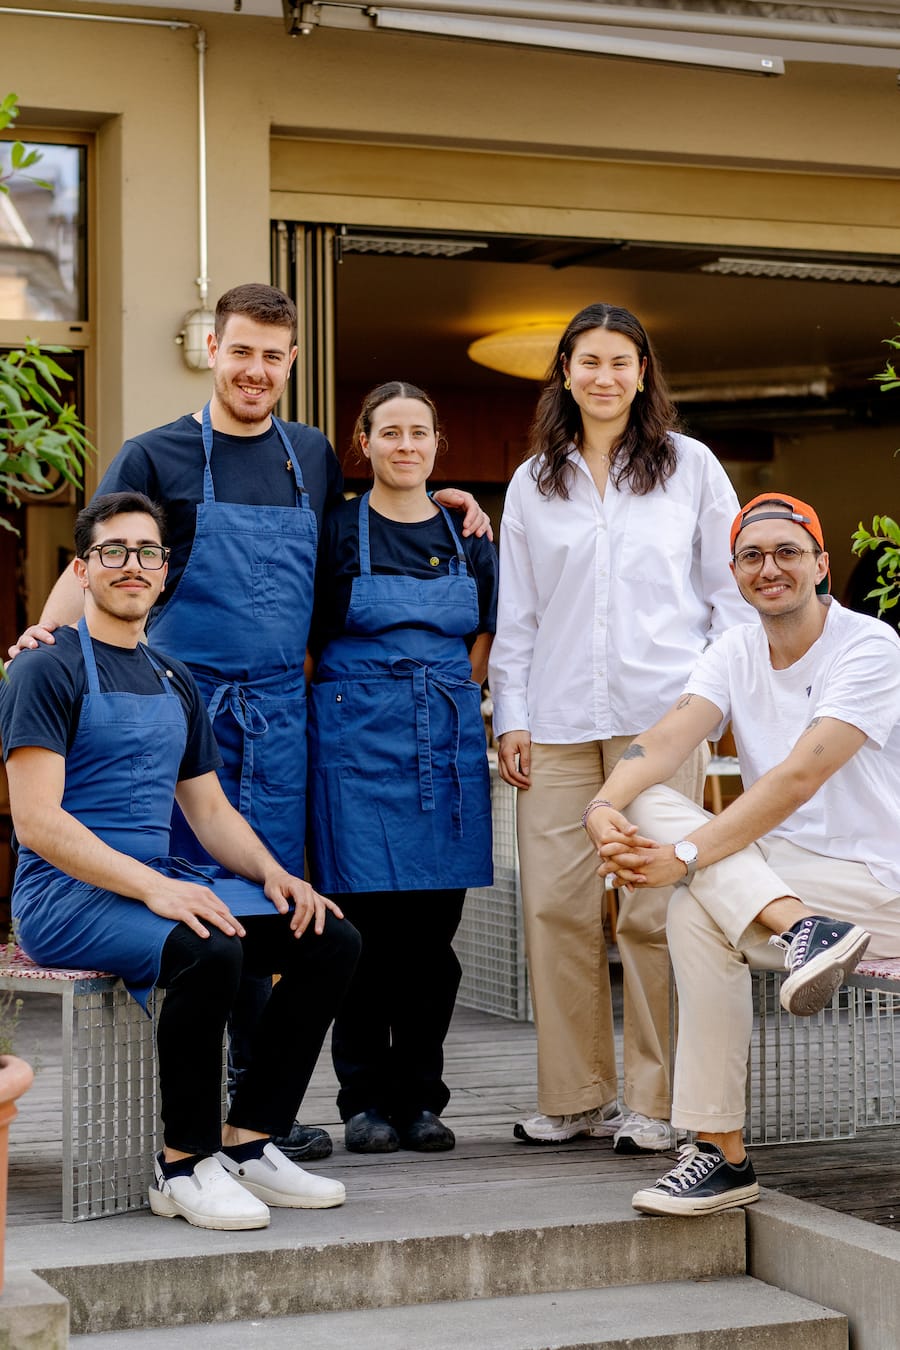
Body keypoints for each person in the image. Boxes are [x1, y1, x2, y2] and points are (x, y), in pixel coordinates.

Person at [9, 283, 489, 1163]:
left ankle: (261, 1107)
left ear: (292, 362)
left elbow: (365, 527)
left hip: (280, 716)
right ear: (213, 352)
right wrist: (46, 633)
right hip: (179, 706)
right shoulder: (154, 453)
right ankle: (206, 1107)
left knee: (274, 899)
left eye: (272, 356)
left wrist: (445, 503)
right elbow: (101, 551)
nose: (255, 370)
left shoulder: (310, 456)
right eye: (241, 352)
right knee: (192, 900)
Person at [0, 493, 362, 1231]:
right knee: (210, 948)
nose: (131, 565)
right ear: (83, 568)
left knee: (327, 937)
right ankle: (183, 1164)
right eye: (113, 551)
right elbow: (37, 823)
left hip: (155, 883)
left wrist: (274, 874)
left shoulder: (173, 676)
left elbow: (210, 812)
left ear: (165, 571)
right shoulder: (46, 668)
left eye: (147, 552)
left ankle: (250, 1140)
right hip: (62, 896)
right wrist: (156, 889)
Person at [583, 492, 899, 1216]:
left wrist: (685, 855)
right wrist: (599, 811)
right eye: (752, 556)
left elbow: (797, 779)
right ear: (734, 573)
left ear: (821, 564)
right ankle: (801, 927)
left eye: (788, 552)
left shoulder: (870, 646)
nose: (770, 568)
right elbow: (666, 739)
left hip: (880, 881)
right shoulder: (733, 649)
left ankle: (721, 1153)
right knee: (642, 797)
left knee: (694, 904)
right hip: (789, 877)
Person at [488, 302, 748, 1154]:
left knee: (651, 908)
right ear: (565, 373)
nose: (604, 376)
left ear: (643, 374)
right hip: (558, 719)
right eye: (589, 361)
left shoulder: (691, 467)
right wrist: (512, 715)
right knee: (554, 908)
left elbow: (728, 597)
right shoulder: (534, 481)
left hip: (659, 721)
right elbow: (518, 615)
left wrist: (707, 701)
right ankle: (574, 1096)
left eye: (620, 362)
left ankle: (655, 1099)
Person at [306, 382, 497, 1154]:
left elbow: (486, 634)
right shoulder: (335, 530)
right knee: (361, 938)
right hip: (355, 750)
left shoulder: (468, 531)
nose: (406, 445)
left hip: (443, 752)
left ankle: (420, 1099)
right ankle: (363, 1101)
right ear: (365, 442)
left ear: (437, 443)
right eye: (391, 432)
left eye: (420, 432)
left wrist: (448, 699)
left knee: (430, 945)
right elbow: (310, 642)